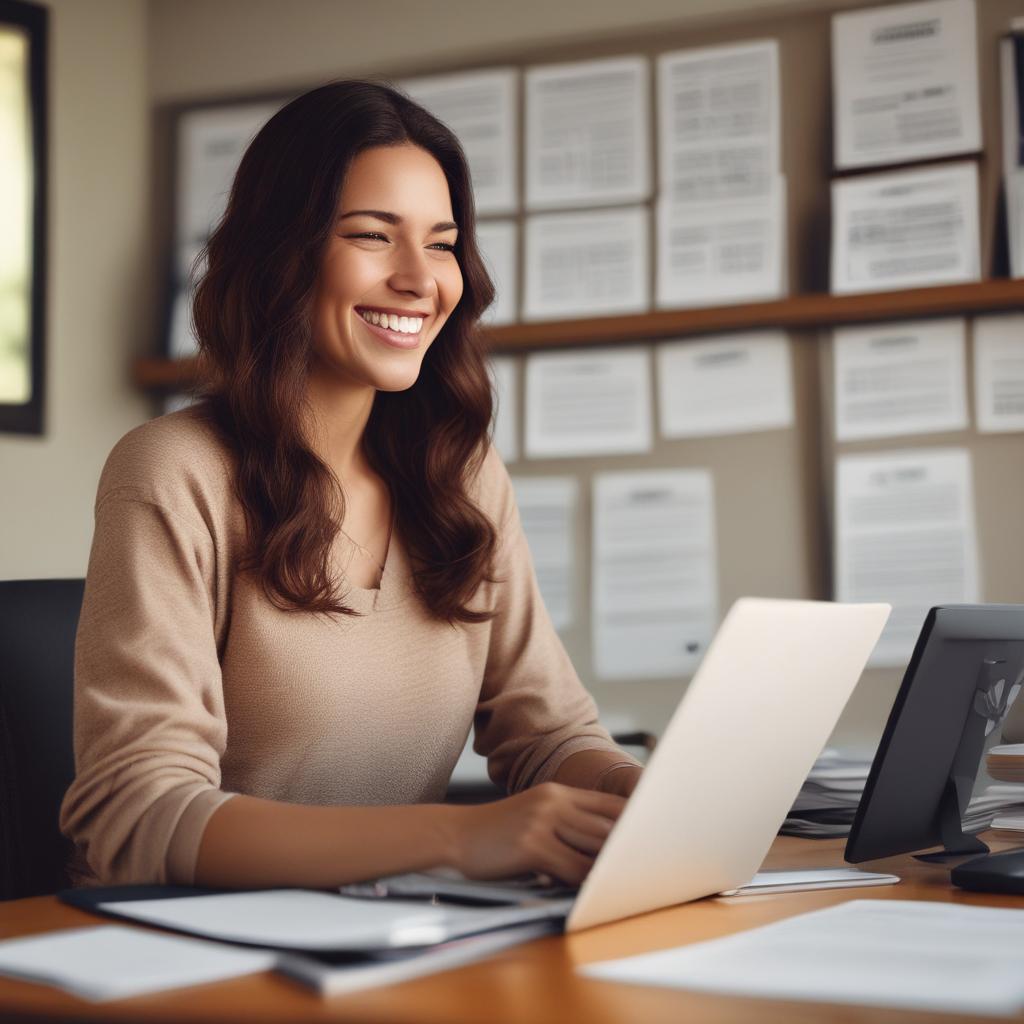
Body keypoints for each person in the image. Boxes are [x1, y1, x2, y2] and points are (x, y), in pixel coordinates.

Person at [60, 80, 642, 892]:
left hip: (398, 935)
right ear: (281, 255)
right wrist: (455, 837)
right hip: (208, 958)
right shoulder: (173, 469)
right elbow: (137, 811)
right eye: (374, 236)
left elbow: (548, 736)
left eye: (441, 244)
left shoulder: (462, 475)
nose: (419, 279)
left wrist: (638, 793)